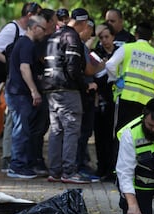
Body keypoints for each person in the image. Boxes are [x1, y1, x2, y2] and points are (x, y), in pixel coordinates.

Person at [0, 2, 42, 173]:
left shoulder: (27, 32)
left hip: (19, 82)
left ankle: (15, 158)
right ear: (30, 15)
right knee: (14, 121)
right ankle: (8, 158)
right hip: (14, 83)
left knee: (18, 121)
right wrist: (11, 63)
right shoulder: (13, 28)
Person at [43, 8, 94, 184]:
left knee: (56, 131)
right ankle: (69, 172)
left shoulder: (54, 36)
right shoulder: (72, 38)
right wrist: (85, 85)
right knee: (72, 130)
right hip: (67, 90)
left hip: (51, 90)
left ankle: (55, 171)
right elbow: (73, 68)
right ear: (84, 23)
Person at [6, 15, 47, 179]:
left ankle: (22, 163)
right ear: (34, 27)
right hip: (19, 94)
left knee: (23, 129)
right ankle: (17, 165)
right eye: (43, 29)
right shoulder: (26, 44)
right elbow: (24, 68)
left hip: (19, 93)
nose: (44, 32)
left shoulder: (25, 43)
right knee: (21, 129)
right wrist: (34, 91)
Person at [106, 22, 154, 134]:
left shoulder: (127, 48)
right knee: (140, 134)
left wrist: (115, 78)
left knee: (121, 132)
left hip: (125, 96)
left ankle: (118, 152)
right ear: (150, 38)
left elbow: (110, 65)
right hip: (146, 102)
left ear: (136, 35)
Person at [29, 8, 57, 177]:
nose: (56, 23)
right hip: (40, 88)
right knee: (39, 128)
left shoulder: (49, 39)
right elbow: (42, 59)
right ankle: (35, 161)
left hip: (45, 88)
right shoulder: (42, 40)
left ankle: (37, 160)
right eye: (53, 20)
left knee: (43, 126)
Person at [92, 23, 118, 180]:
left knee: (113, 136)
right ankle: (101, 167)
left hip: (116, 100)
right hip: (100, 99)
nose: (104, 40)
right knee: (100, 136)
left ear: (113, 37)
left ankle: (112, 168)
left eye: (107, 37)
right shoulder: (96, 53)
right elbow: (94, 74)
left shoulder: (120, 53)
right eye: (101, 37)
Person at [76, 18, 101, 182]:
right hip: (84, 94)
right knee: (82, 133)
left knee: (84, 132)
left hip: (86, 95)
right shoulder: (80, 46)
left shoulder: (83, 46)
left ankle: (81, 163)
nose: (91, 35)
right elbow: (86, 69)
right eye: (91, 31)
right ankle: (79, 165)